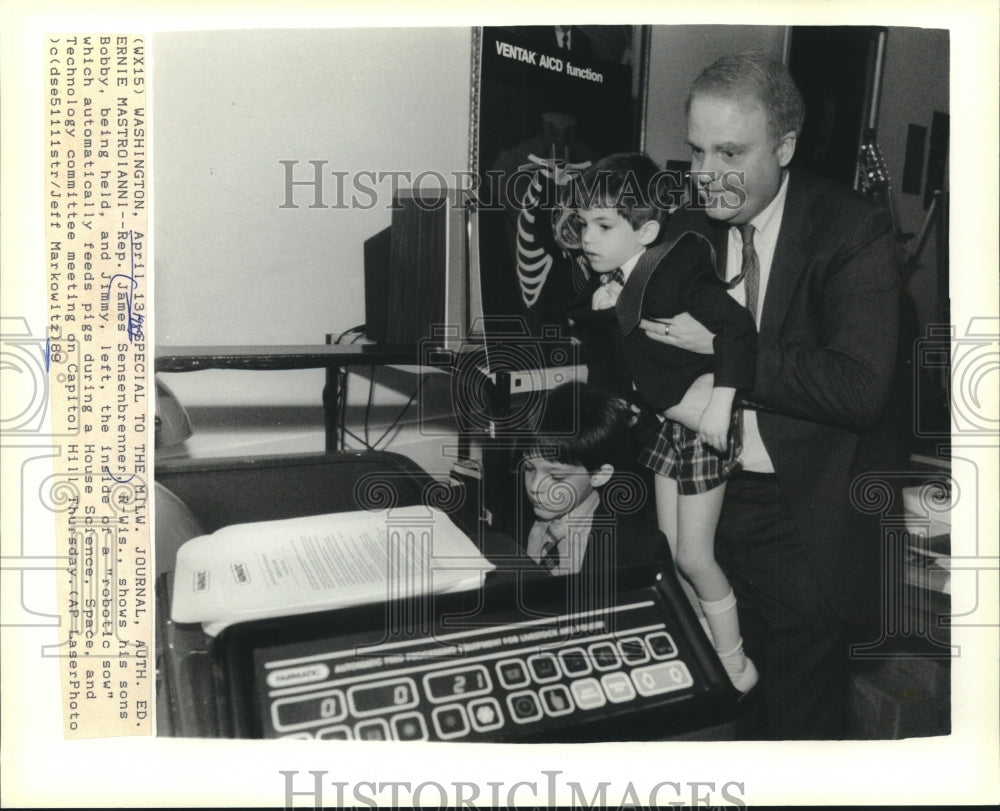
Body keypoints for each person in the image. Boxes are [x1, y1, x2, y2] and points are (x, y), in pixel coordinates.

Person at [643, 52, 900, 738]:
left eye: (730, 151)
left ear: (784, 145)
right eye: (696, 151)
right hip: (706, 507)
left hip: (801, 520)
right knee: (722, 713)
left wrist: (729, 350)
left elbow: (861, 386)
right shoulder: (683, 226)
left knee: (795, 733)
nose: (706, 176)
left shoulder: (853, 229)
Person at [557, 152, 761, 693]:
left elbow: (739, 332)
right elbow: (618, 352)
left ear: (646, 230)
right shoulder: (608, 280)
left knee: (696, 556)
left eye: (604, 226)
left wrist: (720, 405)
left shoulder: (676, 268)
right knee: (673, 554)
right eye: (583, 225)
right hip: (669, 426)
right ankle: (701, 650)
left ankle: (736, 663)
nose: (588, 237)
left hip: (701, 424)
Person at [519, 381, 667, 583]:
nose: (535, 487)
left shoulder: (639, 549)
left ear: (599, 475)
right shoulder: (513, 524)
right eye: (529, 469)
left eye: (557, 477)